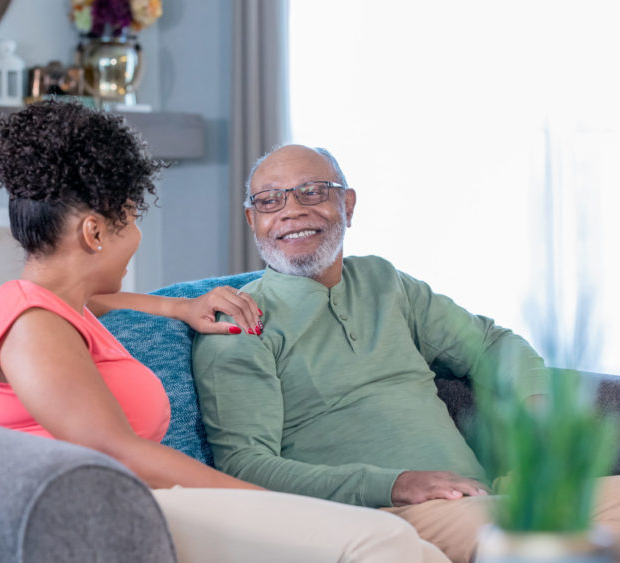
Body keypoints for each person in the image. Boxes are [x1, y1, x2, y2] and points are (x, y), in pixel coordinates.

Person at [0, 101, 447, 562]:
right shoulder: (32, 324)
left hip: (150, 501)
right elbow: (117, 450)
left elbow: (87, 298)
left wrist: (179, 306)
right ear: (94, 234)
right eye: (132, 221)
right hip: (107, 514)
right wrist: (269, 504)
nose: (137, 238)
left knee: (417, 548)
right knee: (381, 541)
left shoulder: (49, 307)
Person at [191, 143, 620, 563]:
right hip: (388, 519)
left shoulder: (383, 281)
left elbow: (490, 342)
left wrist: (538, 407)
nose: (291, 210)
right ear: (253, 219)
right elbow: (246, 467)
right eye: (269, 200)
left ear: (349, 204)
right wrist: (397, 485)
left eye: (312, 191)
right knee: (546, 548)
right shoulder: (236, 321)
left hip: (492, 494)